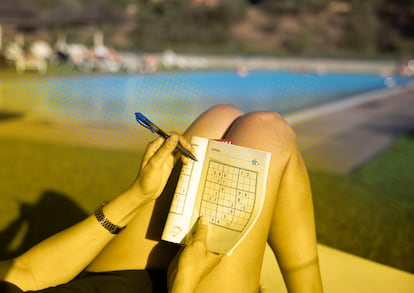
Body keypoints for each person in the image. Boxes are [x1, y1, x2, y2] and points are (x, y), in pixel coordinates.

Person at [0, 104, 323, 292]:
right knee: (266, 130)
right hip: (183, 285)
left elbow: (25, 273)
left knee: (220, 120)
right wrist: (185, 278)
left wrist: (138, 195)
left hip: (109, 284)